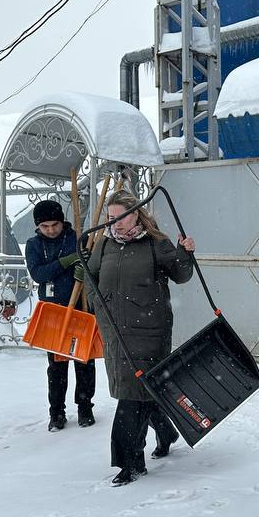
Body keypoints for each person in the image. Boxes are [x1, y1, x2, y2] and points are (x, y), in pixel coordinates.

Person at [87, 191, 195, 485]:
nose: (115, 224)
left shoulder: (155, 243)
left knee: (131, 397)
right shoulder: (105, 244)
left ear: (136, 214)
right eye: (111, 218)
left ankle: (130, 462)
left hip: (150, 331)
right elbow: (90, 275)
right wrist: (97, 306)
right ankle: (166, 432)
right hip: (115, 332)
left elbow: (182, 274)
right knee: (141, 392)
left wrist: (186, 253)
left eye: (120, 217)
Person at [23, 199, 95, 432]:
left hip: (80, 308)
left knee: (84, 361)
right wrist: (65, 262)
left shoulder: (77, 239)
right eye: (45, 226)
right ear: (38, 227)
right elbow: (38, 274)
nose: (51, 230)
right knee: (56, 366)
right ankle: (57, 412)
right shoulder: (34, 245)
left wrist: (86, 268)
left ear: (62, 222)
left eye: (54, 224)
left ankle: (85, 408)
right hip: (52, 312)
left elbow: (95, 265)